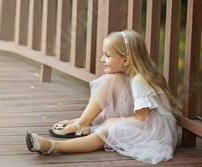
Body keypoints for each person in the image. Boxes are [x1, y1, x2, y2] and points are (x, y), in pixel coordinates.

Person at [25, 30, 180, 165]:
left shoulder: (140, 80)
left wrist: (114, 121)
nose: (102, 59)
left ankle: (53, 146)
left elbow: (143, 119)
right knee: (110, 79)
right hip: (145, 120)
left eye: (107, 55)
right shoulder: (131, 75)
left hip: (152, 130)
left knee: (107, 131)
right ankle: (82, 122)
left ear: (125, 60)